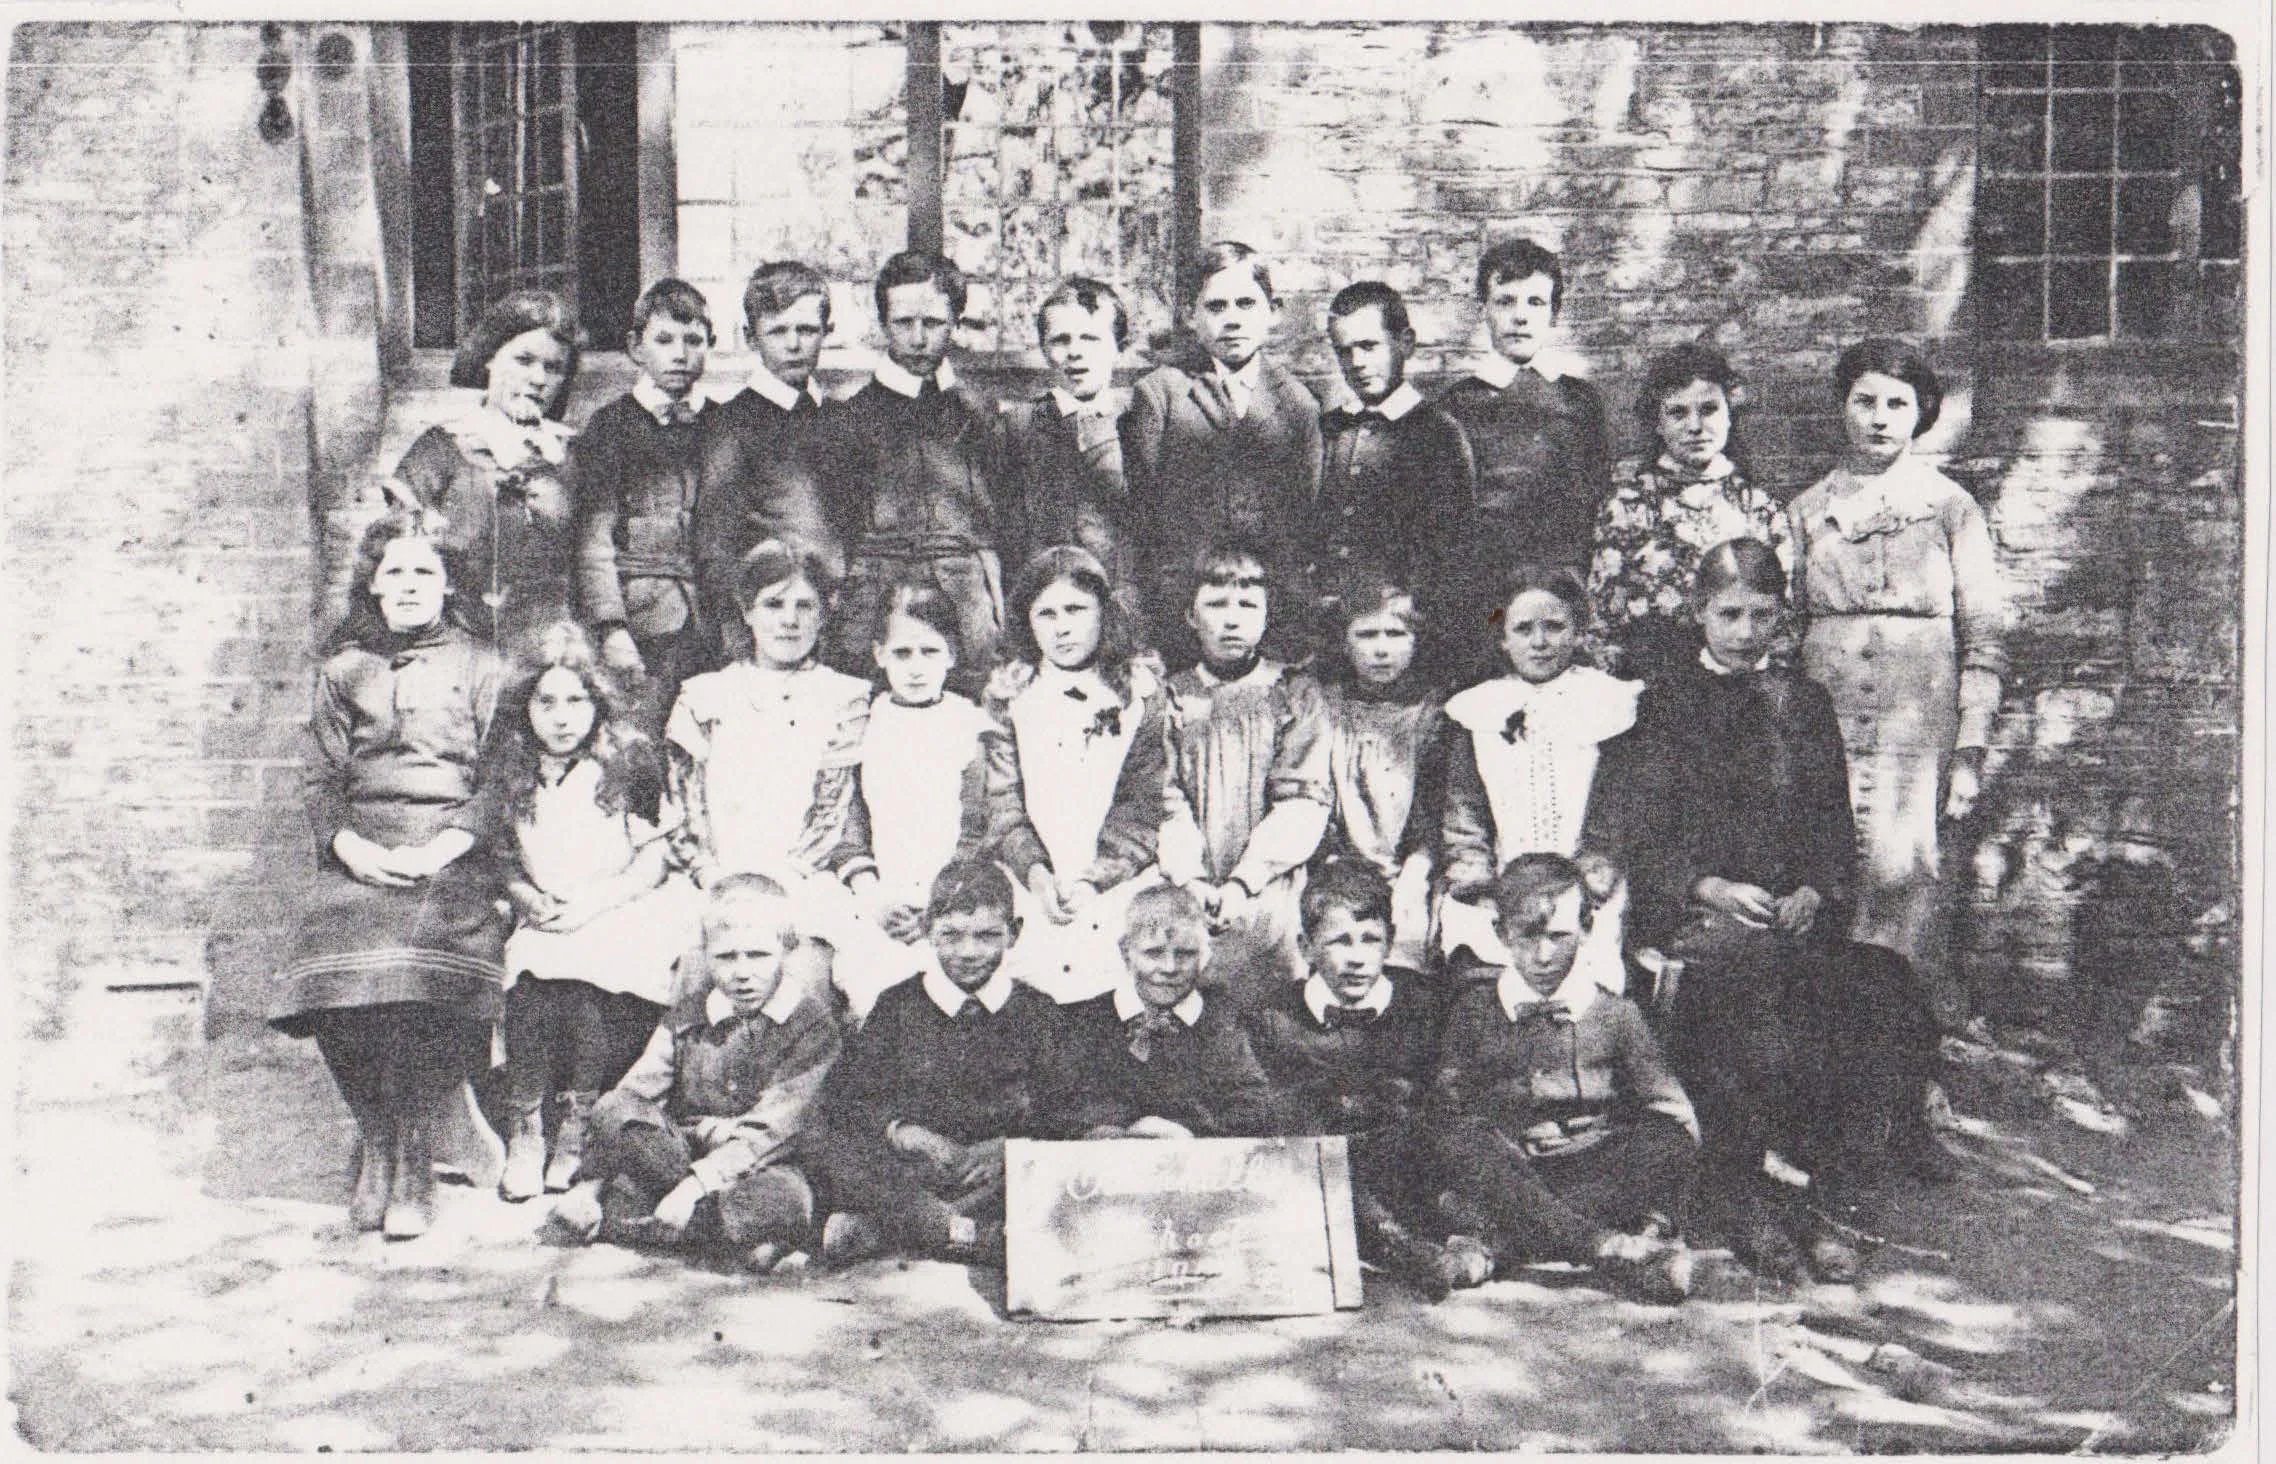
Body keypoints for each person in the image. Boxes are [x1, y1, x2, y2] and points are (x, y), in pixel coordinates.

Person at [1599, 541, 1864, 1281]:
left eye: (1762, 616)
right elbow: (1645, 832)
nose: (1746, 632)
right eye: (1729, 614)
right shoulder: (1664, 703)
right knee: (1740, 984)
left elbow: (1833, 823)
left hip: (1790, 909)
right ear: (1699, 614)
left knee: (1845, 992)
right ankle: (1745, 1197)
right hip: (1696, 908)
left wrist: (1816, 888)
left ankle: (1815, 1196)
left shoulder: (1803, 704)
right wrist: (1710, 888)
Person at [269, 511, 508, 1239]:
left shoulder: (484, 666)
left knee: (416, 956)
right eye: (395, 572)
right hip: (366, 848)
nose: (409, 585)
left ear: (448, 585)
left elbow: (501, 776)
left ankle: (412, 1160)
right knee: (333, 948)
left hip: (451, 854)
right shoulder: (344, 673)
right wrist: (348, 846)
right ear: (373, 584)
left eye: (424, 572)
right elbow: (320, 778)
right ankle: (376, 1136)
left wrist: (445, 848)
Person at [1786, 338, 2008, 1021]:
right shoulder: (1804, 511)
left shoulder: (1951, 510)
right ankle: (1833, 1058)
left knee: (1910, 876)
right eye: (1865, 402)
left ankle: (1907, 1060)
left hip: (1920, 725)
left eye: (1897, 404)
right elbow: (1785, 630)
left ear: (1921, 414)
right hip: (1828, 717)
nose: (1880, 418)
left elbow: (1986, 639)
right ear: (1842, 408)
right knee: (1829, 872)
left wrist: (1969, 747)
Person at [1427, 854, 1700, 1303]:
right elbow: (1449, 1108)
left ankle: (1499, 1244)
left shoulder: (1617, 1015)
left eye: (1559, 936)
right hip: (1507, 1168)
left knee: (1668, 1142)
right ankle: (1608, 1248)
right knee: (1452, 1142)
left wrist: (1610, 1139)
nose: (1544, 955)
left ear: (1587, 931)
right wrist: (1504, 1139)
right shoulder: (1473, 1011)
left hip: (1590, 1170)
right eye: (1528, 936)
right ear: (1500, 934)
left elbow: (1675, 1115)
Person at [491, 622, 698, 1202]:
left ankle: (577, 1127)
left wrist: (594, 904)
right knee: (528, 977)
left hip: (620, 902)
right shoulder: (512, 770)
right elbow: (504, 860)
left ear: (596, 703)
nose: (561, 717)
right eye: (546, 702)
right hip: (547, 906)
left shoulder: (625, 763)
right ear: (524, 706)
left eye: (576, 701)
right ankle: (527, 1127)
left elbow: (652, 860)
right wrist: (529, 898)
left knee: (589, 983)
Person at [549, 875, 841, 1273]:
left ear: (786, 952)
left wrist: (692, 1188)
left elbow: (776, 1131)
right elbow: (636, 1094)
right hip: (683, 1155)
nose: (742, 972)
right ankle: (724, 1238)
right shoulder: (688, 1014)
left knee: (784, 1200)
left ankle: (650, 1222)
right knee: (615, 1106)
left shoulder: (811, 1026)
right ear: (705, 956)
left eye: (757, 956)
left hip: (765, 1163)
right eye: (725, 957)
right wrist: (590, 1184)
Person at [662, 539, 882, 1018]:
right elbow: (683, 803)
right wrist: (710, 874)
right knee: (694, 972)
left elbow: (833, 806)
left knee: (804, 978)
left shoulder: (842, 698)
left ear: (825, 614)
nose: (790, 620)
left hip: (800, 878)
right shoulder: (706, 695)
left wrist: (786, 879)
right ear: (746, 611)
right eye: (773, 604)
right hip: (714, 876)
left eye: (805, 606)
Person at [807, 862, 1060, 1268]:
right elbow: (852, 1095)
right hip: (914, 1165)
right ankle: (968, 1237)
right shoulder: (898, 1005)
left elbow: (1057, 1102)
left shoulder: (1038, 1012)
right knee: (838, 1152)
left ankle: (889, 1231)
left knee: (1051, 1167)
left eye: (987, 936)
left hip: (995, 1170)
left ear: (1014, 932)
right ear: (927, 930)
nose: (969, 952)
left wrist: (1005, 1150)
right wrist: (903, 1131)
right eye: (951, 936)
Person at [1244, 860, 1477, 1299]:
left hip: (1407, 1163)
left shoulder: (1424, 1005)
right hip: (1324, 1174)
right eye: (1339, 941)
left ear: (1389, 944)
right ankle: (1392, 1242)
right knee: (1290, 1125)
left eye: (1371, 940)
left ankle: (1432, 1238)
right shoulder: (1273, 1017)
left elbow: (1447, 1097)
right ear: (1307, 947)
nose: (1356, 957)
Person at [1438, 563, 1639, 990]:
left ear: (1578, 631)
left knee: (1584, 969)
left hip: (1585, 885)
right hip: (1499, 882)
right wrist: (1479, 878)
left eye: (1555, 627)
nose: (1541, 641)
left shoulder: (1607, 702)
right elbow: (1464, 812)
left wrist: (1588, 881)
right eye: (1525, 629)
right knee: (1486, 967)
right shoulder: (1478, 709)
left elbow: (1616, 808)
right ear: (1503, 637)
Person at [984, 546, 1170, 1002]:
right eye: (1046, 613)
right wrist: (1037, 875)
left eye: (1075, 610)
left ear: (1103, 612)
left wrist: (1096, 878)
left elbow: (1143, 803)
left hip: (1115, 877)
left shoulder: (1139, 692)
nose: (1062, 627)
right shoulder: (1014, 693)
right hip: (1031, 877)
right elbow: (1003, 802)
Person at [1125, 241, 1323, 655]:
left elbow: (1302, 515)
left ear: (1273, 311)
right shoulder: (1161, 393)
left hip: (1268, 610)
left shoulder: (1298, 403)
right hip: (1182, 608)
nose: (1232, 320)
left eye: (1246, 304)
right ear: (1190, 315)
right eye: (1216, 307)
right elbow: (1138, 513)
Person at [829, 250, 1014, 694]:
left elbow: (1005, 517)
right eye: (902, 323)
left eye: (932, 323)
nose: (917, 338)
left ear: (954, 321)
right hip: (876, 605)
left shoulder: (980, 414)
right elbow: (838, 528)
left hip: (968, 607)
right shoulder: (850, 419)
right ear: (882, 324)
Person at [1158, 542, 1332, 1004]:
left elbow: (1304, 800)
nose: (1232, 619)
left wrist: (1244, 882)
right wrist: (1191, 879)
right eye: (1215, 605)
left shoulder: (1292, 692)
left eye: (1248, 605)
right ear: (1191, 616)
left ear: (1269, 613)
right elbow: (1163, 796)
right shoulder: (1169, 697)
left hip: (1269, 886)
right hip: (1186, 884)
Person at [1435, 238, 1611, 671]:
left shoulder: (1579, 402)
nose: (1519, 316)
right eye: (1505, 301)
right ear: (1484, 310)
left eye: (1535, 302)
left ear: (1553, 314)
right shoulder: (1455, 405)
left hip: (1561, 593)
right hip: (1484, 598)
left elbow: (1595, 503)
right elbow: (1448, 520)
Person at [382, 289, 580, 659]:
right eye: (524, 360)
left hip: (553, 651)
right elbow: (396, 551)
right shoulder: (442, 447)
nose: (538, 378)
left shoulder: (573, 455)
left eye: (553, 368)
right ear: (490, 359)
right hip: (459, 645)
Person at [1587, 343, 1794, 687]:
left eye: (1709, 410)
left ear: (1730, 415)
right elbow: (1602, 622)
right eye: (1678, 413)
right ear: (1657, 422)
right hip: (1655, 689)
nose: (1695, 426)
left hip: (1744, 689)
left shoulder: (1759, 508)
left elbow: (1786, 619)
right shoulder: (1627, 507)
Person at [1041, 885, 1286, 1140]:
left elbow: (1254, 1109)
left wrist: (1188, 1134)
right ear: (1126, 952)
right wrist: (1104, 1130)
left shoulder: (1223, 1022)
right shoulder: (1087, 1022)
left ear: (1204, 953)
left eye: (1185, 954)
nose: (1170, 967)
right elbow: (1058, 1106)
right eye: (1153, 953)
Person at [697, 260, 850, 662]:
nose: (794, 344)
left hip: (843, 620)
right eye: (778, 332)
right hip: (772, 626)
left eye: (806, 330)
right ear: (751, 337)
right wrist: (739, 638)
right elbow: (717, 547)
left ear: (827, 333)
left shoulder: (842, 418)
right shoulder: (731, 423)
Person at [833, 583, 994, 954]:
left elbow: (976, 826)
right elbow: (849, 817)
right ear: (879, 654)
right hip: (878, 896)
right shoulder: (863, 722)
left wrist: (939, 901)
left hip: (954, 896)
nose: (917, 668)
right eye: (902, 654)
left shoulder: (968, 724)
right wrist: (871, 892)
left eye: (930, 652)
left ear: (951, 655)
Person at [1315, 281, 1476, 638]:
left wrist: (1413, 607)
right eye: (1344, 351)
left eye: (1369, 346)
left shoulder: (1437, 433)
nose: (1356, 362)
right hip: (1327, 628)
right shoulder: (1329, 429)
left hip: (1398, 632)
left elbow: (1452, 547)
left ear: (1405, 343)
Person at [1313, 570, 1450, 978]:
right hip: (1337, 865)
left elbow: (1434, 812)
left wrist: (1415, 873)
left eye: (1395, 634)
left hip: (1412, 869)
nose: (1381, 650)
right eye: (1367, 635)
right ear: (1344, 641)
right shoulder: (1326, 708)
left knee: (1406, 945)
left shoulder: (1431, 714)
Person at [993, 277, 1138, 616]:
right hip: (1045, 602)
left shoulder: (1140, 419)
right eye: (1060, 340)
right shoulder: (1018, 425)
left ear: (1118, 346)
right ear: (1044, 349)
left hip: (1123, 601)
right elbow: (1005, 528)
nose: (1076, 352)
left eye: (1091, 338)